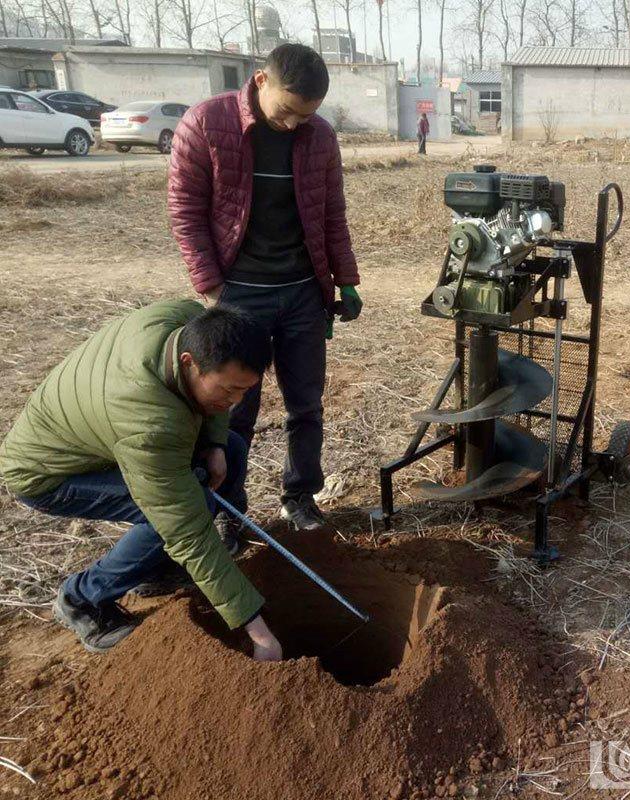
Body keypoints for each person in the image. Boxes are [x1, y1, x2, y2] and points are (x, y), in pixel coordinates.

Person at [0, 300, 283, 661]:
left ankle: (158, 568)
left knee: (232, 447)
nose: (235, 401)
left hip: (97, 435)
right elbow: (184, 526)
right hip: (46, 472)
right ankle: (82, 599)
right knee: (178, 513)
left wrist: (214, 442)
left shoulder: (189, 321)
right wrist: (259, 633)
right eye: (228, 391)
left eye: (245, 390)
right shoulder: (148, 423)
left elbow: (213, 408)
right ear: (188, 362)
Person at [168, 43, 361, 536]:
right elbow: (186, 213)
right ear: (260, 81)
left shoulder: (319, 137)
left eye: (307, 115)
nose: (295, 124)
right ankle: (232, 514)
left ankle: (300, 498)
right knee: (235, 410)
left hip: (302, 293)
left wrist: (345, 280)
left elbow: (331, 215)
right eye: (287, 111)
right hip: (240, 295)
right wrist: (212, 287)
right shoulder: (207, 124)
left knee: (306, 403)